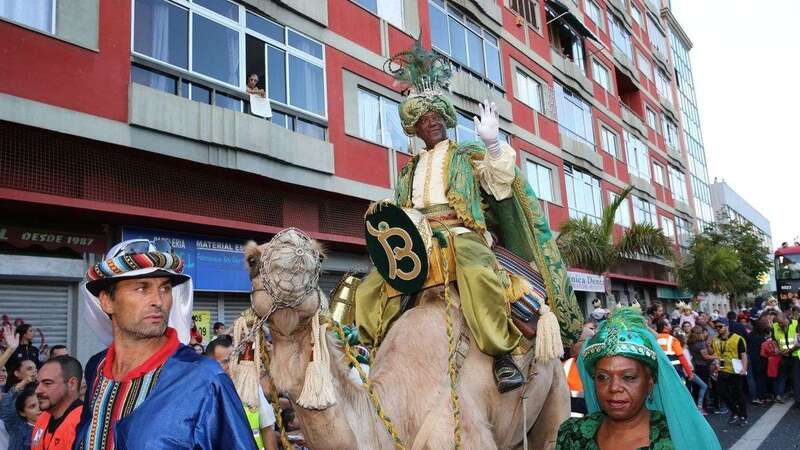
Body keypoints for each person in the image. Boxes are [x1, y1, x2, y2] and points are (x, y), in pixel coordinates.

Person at [355, 42, 582, 393]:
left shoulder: (466, 155)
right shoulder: (408, 170)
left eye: (436, 119)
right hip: (419, 242)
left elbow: (500, 179)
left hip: (462, 234)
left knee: (478, 273)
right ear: (414, 129)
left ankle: (501, 354)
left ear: (445, 121)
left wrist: (492, 144)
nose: (431, 125)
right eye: (423, 121)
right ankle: (373, 350)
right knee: (371, 286)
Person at [74, 239, 257, 449]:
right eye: (142, 289)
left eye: (165, 288)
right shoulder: (96, 369)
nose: (158, 301)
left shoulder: (204, 379)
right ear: (106, 301)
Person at [555, 308, 721, 450]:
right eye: (603, 377)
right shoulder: (573, 434)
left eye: (628, 377)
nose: (614, 388)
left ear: (649, 383)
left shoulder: (679, 438)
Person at [206, 338, 277, 450]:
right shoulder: (203, 393)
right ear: (209, 364)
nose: (231, 365)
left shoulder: (251, 386)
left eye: (234, 360)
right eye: (225, 362)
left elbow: (267, 429)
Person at [30, 355, 82, 449]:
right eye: (37, 383)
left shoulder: (87, 424)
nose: (37, 390)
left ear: (72, 384)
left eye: (47, 383)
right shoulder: (42, 418)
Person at [712, 317, 748, 425]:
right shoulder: (715, 339)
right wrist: (715, 365)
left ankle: (743, 416)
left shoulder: (738, 339)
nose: (717, 329)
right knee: (721, 392)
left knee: (738, 393)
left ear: (727, 326)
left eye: (720, 326)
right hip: (722, 370)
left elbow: (743, 355)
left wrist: (744, 368)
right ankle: (735, 411)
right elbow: (716, 354)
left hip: (736, 370)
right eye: (716, 327)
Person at [0, 357, 40, 450]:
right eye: (29, 369)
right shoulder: (17, 425)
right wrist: (24, 382)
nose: (34, 372)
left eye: (35, 368)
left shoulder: (40, 391)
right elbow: (6, 408)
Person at [771, 311, 799, 404]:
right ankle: (780, 395)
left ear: (786, 319)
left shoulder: (795, 324)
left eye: (781, 322)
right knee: (782, 375)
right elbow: (774, 339)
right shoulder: (775, 326)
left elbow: (798, 342)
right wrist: (776, 348)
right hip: (783, 355)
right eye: (778, 323)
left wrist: (789, 350)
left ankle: (796, 397)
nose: (780, 324)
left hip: (795, 355)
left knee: (795, 377)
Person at [688, 326, 716, 414]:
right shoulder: (700, 343)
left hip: (695, 366)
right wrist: (716, 356)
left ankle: (698, 406)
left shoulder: (690, 342)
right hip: (702, 366)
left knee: (697, 387)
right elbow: (705, 356)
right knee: (704, 386)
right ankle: (702, 407)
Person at [745, 318, 769, 405]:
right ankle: (761, 396)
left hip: (751, 358)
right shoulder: (762, 337)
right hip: (760, 359)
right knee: (761, 379)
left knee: (753, 379)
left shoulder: (750, 335)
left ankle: (755, 397)